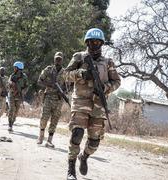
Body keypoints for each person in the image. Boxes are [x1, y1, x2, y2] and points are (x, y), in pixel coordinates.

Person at [64, 28, 121, 180]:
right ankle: (71, 170)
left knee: (94, 142)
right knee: (77, 134)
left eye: (97, 42)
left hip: (99, 105)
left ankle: (84, 157)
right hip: (80, 101)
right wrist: (80, 74)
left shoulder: (108, 62)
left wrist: (105, 87)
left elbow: (117, 81)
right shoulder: (79, 57)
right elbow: (64, 75)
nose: (94, 45)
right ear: (86, 42)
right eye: (91, 42)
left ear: (101, 43)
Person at [36, 52, 66, 148]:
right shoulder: (48, 70)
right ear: (54, 59)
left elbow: (69, 86)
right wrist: (49, 84)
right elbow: (40, 81)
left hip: (58, 99)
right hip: (48, 96)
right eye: (56, 59)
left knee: (55, 120)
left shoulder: (65, 72)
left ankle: (49, 140)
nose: (58, 61)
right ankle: (41, 136)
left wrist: (63, 91)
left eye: (60, 59)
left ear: (62, 60)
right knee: (44, 117)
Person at [7, 61, 28, 132]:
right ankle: (10, 125)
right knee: (11, 109)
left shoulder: (24, 77)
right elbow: (8, 83)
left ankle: (12, 121)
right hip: (12, 94)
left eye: (15, 67)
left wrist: (23, 92)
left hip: (19, 96)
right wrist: (12, 84)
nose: (14, 69)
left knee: (16, 111)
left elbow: (26, 86)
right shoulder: (12, 76)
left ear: (18, 68)